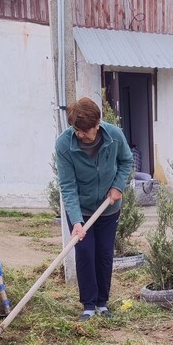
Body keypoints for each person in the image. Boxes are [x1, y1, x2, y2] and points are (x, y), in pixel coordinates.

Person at [55, 97, 133, 321]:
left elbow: (126, 161)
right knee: (85, 254)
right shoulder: (64, 145)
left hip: (109, 208)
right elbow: (67, 185)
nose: (81, 135)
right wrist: (76, 220)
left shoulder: (114, 136)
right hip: (81, 210)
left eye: (85, 131)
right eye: (77, 130)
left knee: (104, 254)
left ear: (97, 124)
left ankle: (102, 303)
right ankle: (88, 305)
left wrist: (118, 186)